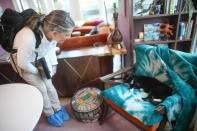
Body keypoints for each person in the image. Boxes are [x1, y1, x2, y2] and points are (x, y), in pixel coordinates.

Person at [10, 10, 75, 127]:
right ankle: (50, 114)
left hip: (39, 57)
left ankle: (58, 108)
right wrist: (37, 72)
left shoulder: (51, 34)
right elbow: (22, 62)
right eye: (66, 34)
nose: (68, 37)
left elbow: (50, 48)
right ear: (55, 32)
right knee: (42, 88)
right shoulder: (28, 37)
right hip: (24, 63)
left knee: (49, 86)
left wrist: (53, 65)